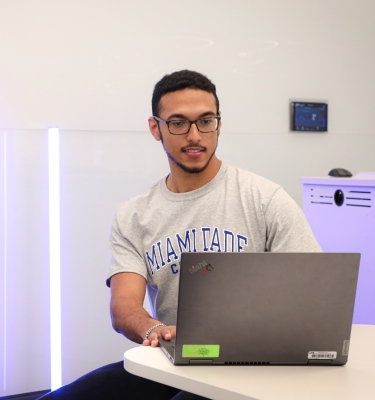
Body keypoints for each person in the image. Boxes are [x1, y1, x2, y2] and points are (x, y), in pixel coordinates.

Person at [39, 70, 321, 399]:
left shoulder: (265, 199)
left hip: (250, 364)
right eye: (177, 123)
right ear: (155, 128)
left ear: (219, 123)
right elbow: (124, 307)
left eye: (206, 121)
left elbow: (311, 294)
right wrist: (154, 329)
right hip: (172, 357)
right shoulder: (134, 214)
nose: (194, 136)